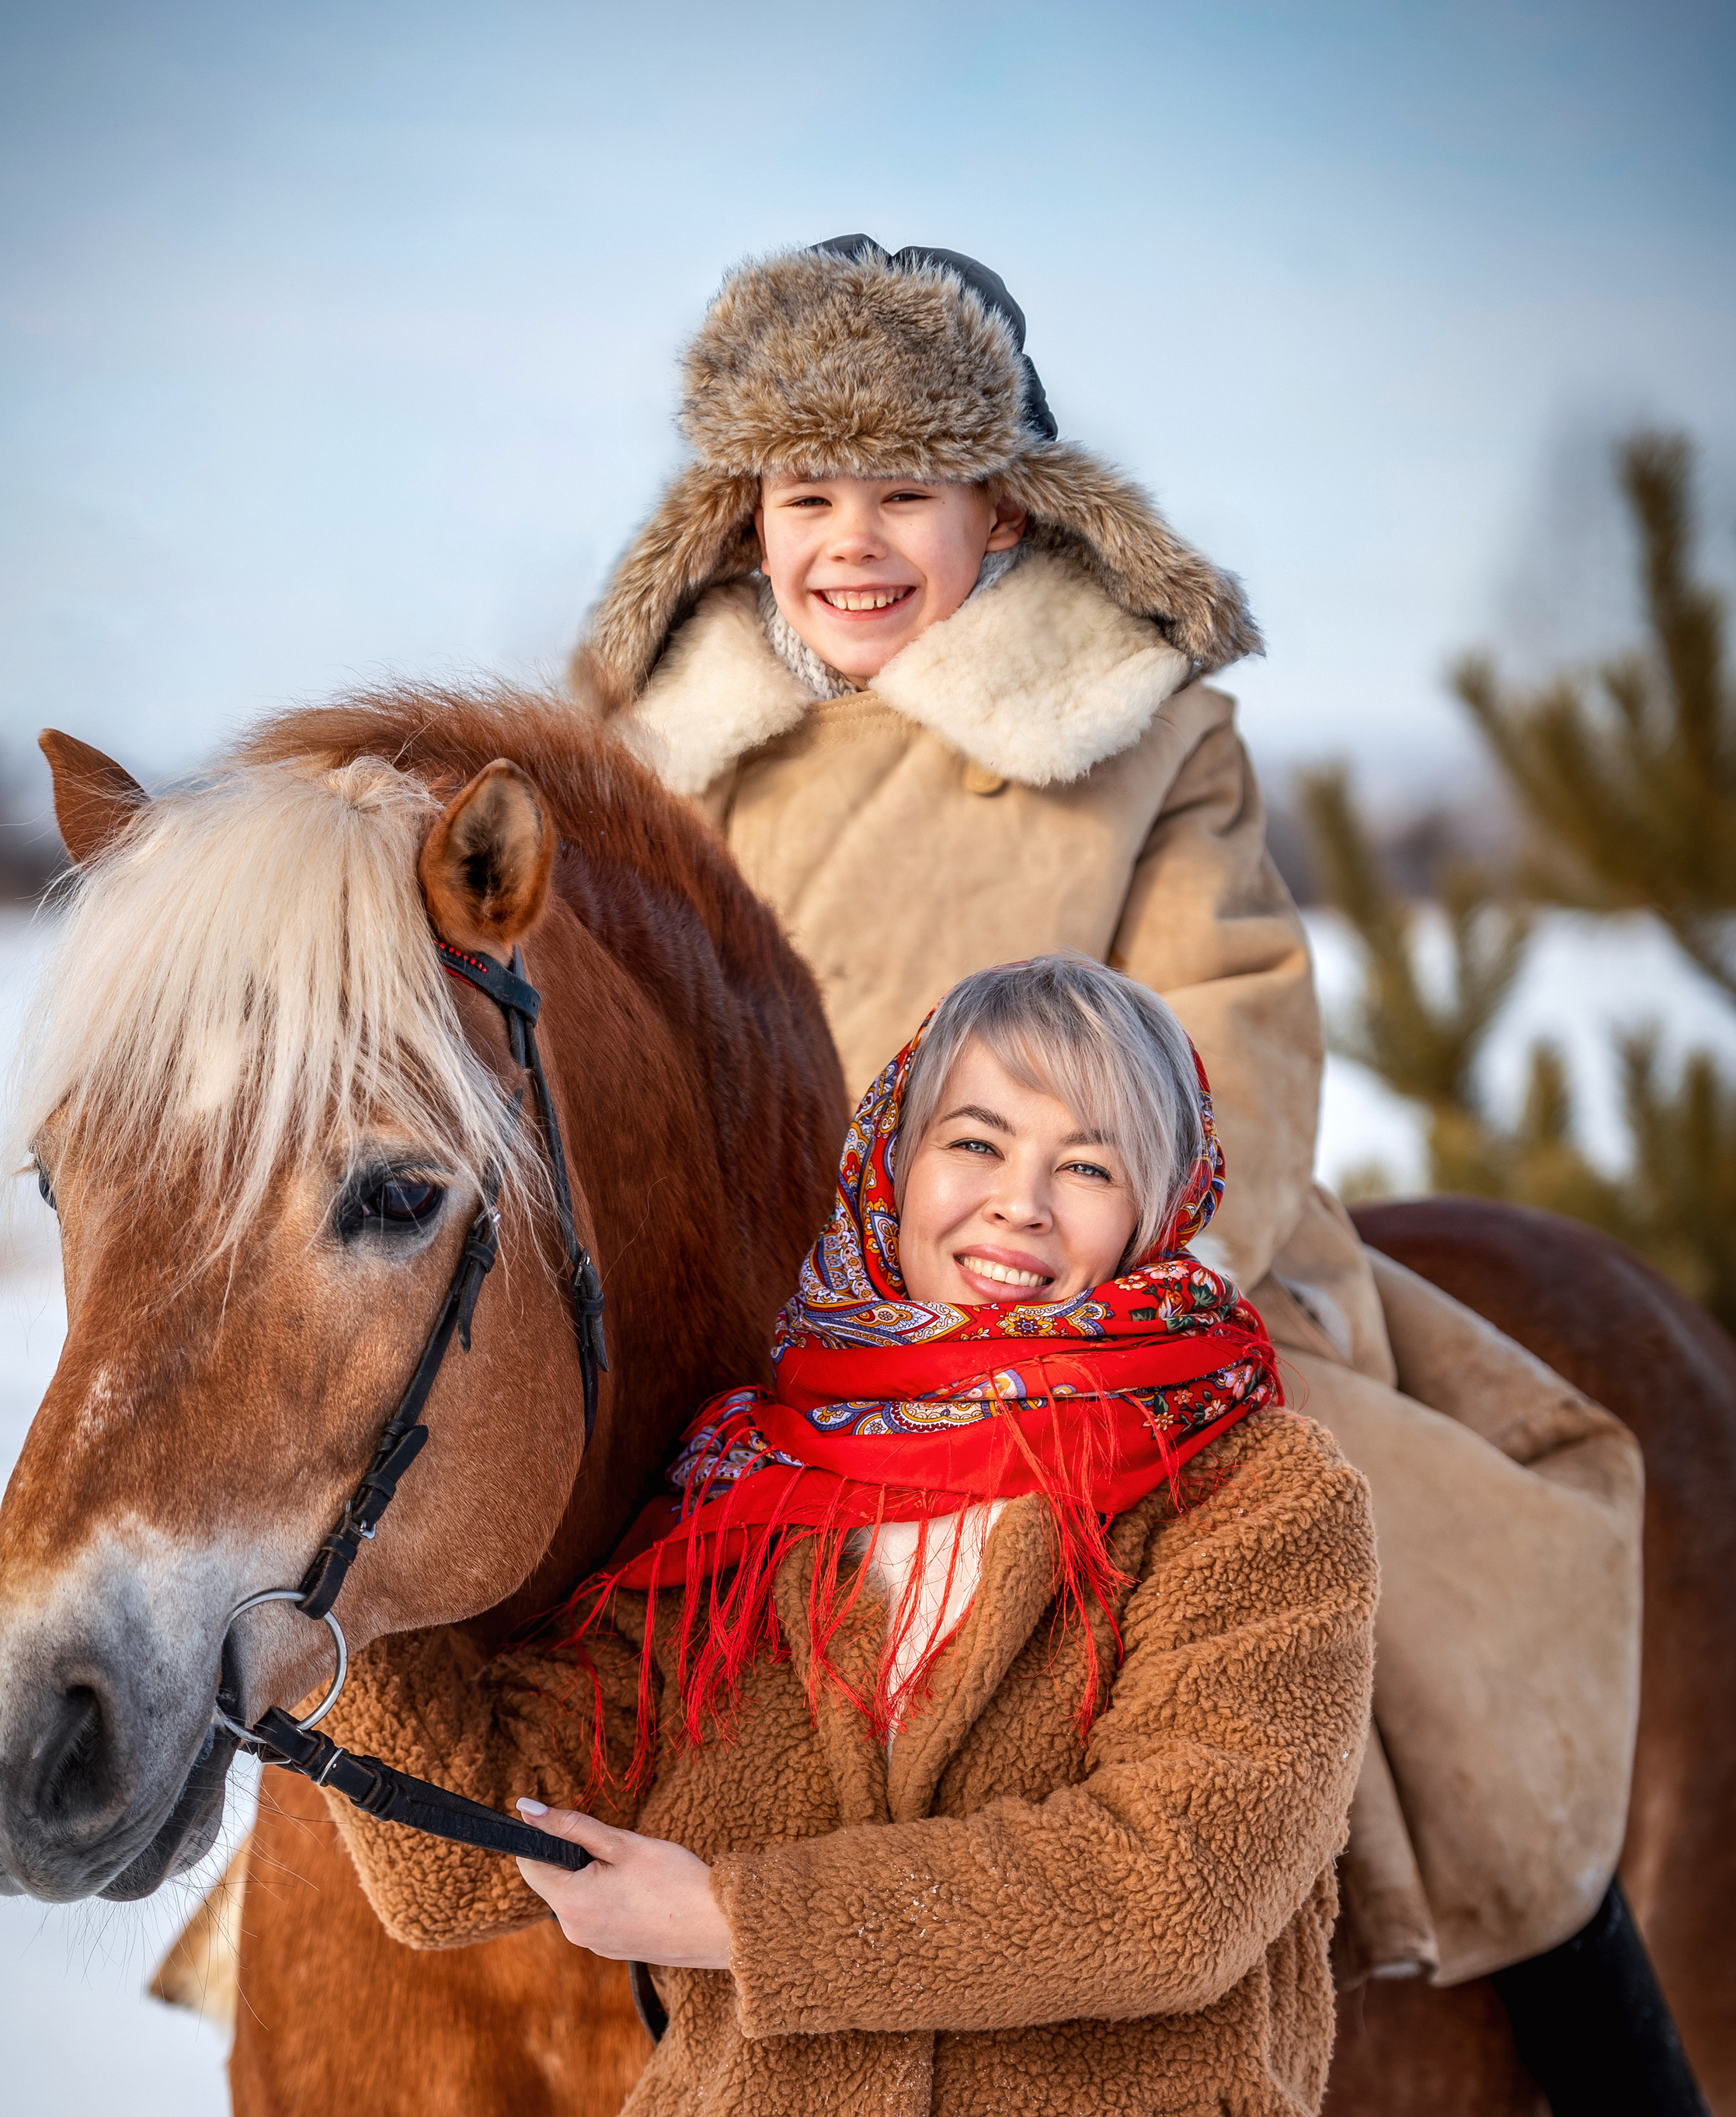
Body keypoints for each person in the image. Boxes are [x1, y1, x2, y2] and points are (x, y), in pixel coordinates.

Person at [325, 956, 1428, 2117]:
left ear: (1160, 1205)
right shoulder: (745, 1497)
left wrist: (739, 1921)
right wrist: (347, 1605)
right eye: (974, 1140)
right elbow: (446, 1867)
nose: (1016, 1199)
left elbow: (1169, 1883)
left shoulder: (1256, 1504)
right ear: (888, 1166)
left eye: (1086, 1162)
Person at [569, 235, 1644, 1997]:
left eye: (902, 489)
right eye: (802, 489)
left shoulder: (1136, 735)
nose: (848, 541)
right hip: (760, 1310)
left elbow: (1227, 1024)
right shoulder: (656, 757)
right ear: (737, 513)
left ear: (1000, 510)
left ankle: (1447, 1941)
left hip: (1080, 1274)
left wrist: (1108, 1269)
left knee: (1374, 1581)